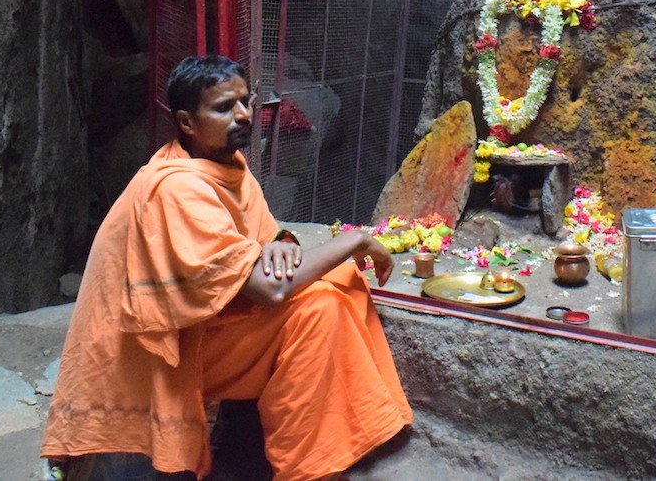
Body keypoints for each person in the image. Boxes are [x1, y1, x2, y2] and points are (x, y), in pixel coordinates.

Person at [42, 55, 412, 480]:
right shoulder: (176, 187)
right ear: (185, 122)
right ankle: (312, 466)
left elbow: (265, 241)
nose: (242, 116)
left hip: (201, 324)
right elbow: (270, 290)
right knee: (320, 309)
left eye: (244, 102)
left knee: (339, 278)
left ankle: (340, 436)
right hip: (161, 353)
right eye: (223, 108)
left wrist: (277, 248)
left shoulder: (226, 164)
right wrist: (354, 239)